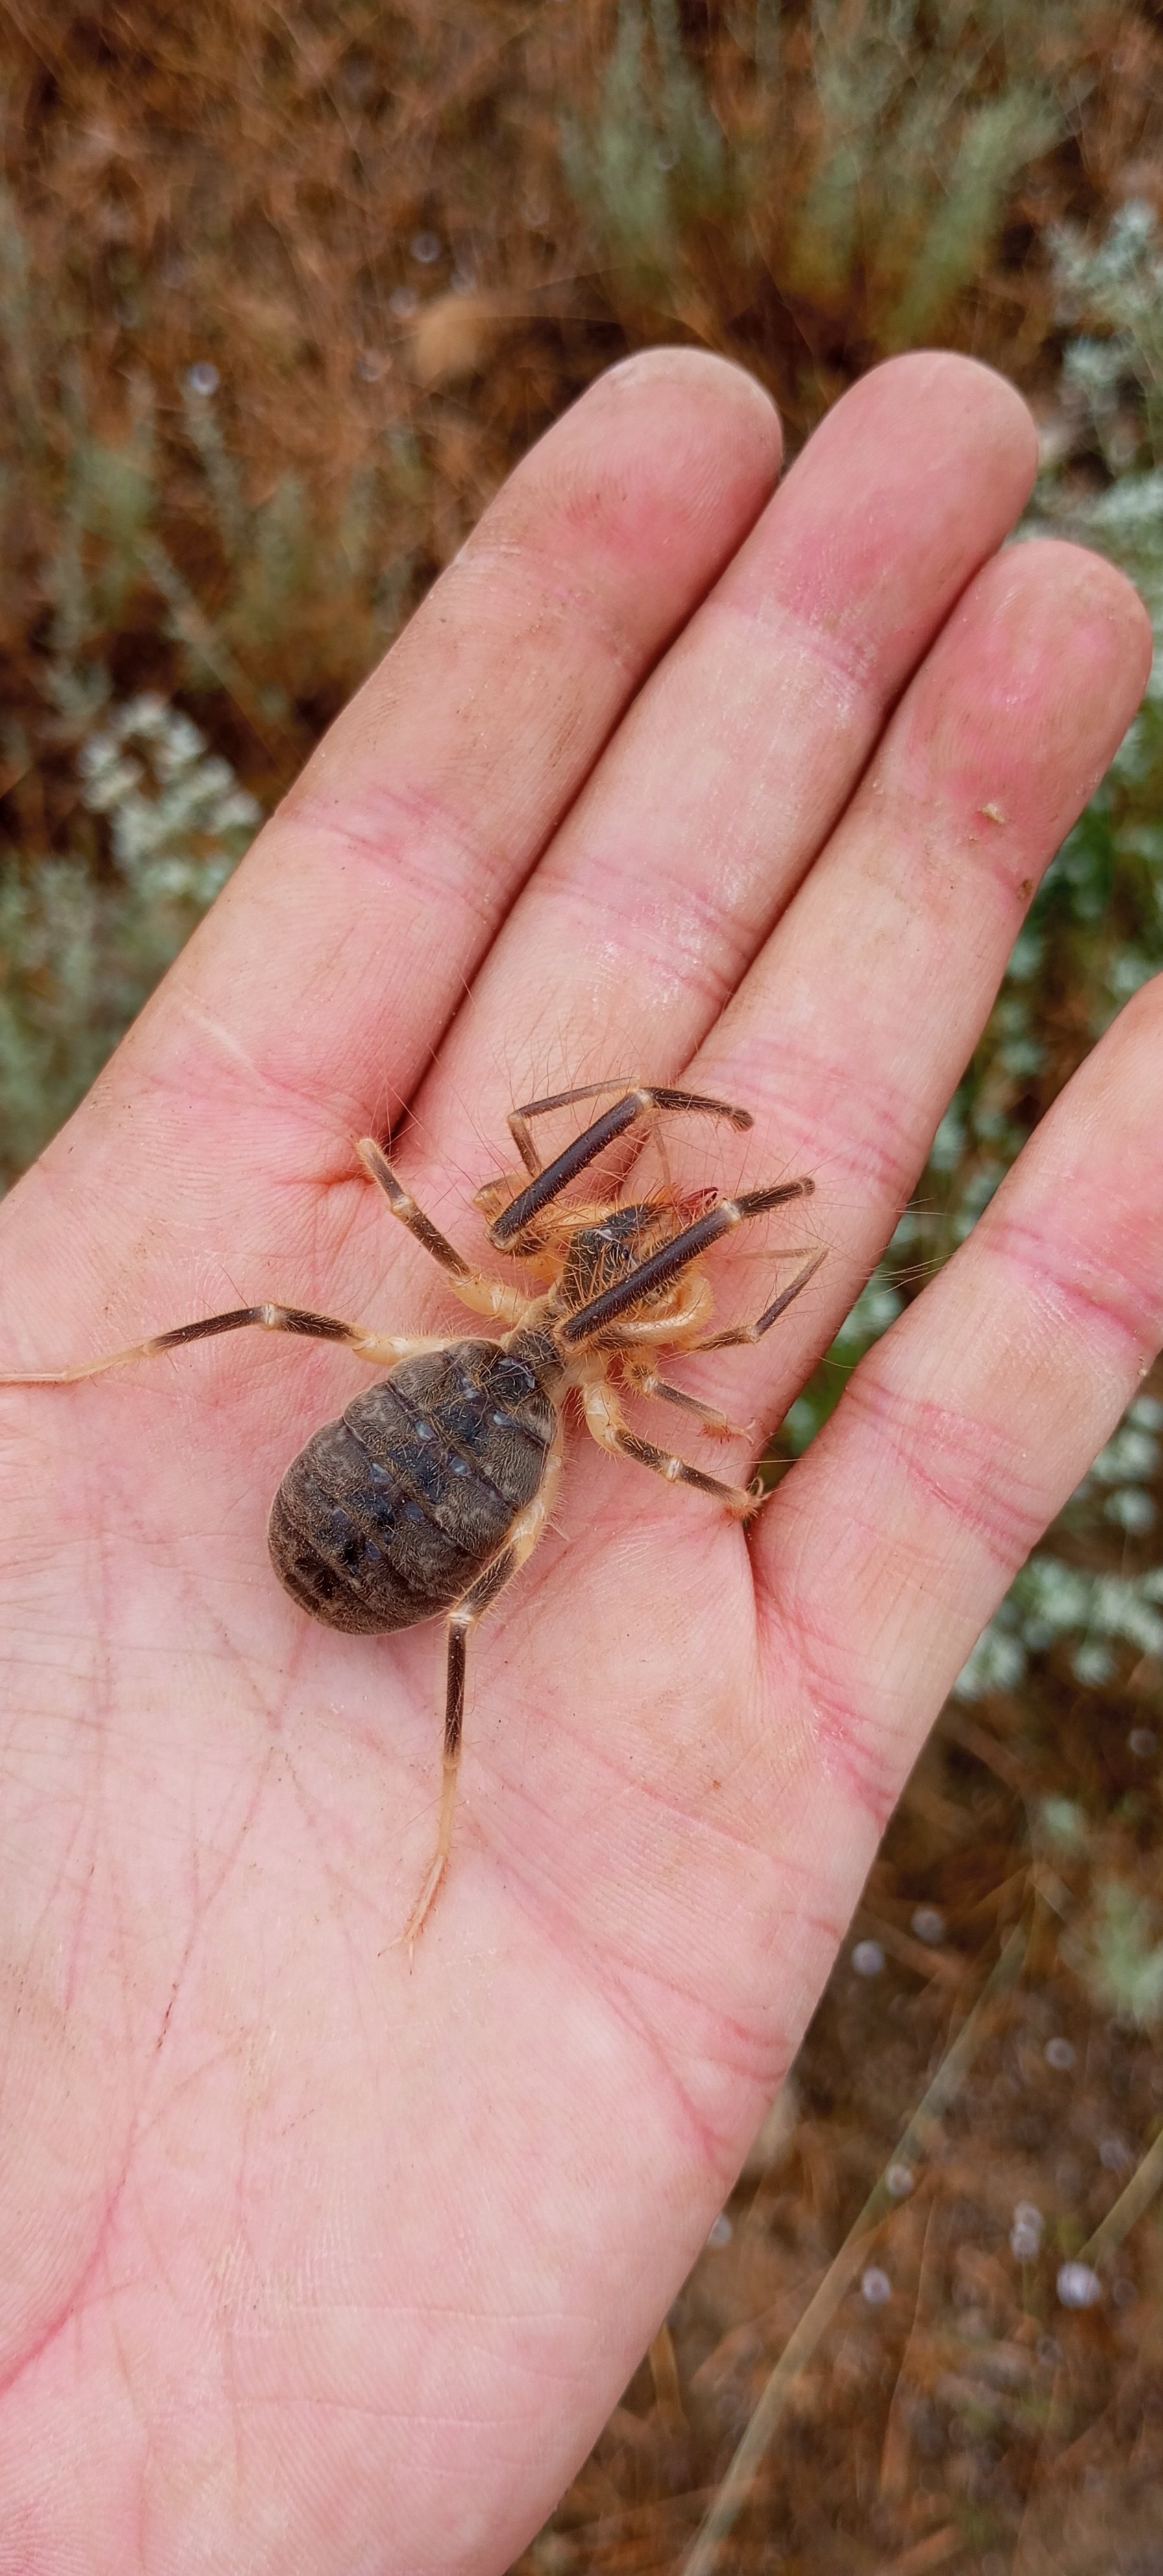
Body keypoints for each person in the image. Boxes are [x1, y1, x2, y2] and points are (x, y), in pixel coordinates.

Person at [0, 348, 1153, 2573]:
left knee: (449, 1509)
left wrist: (677, 1275)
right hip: (446, 1438)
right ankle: (151, 1431)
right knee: (394, 1452)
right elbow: (648, 1362)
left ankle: (269, 1570)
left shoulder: (560, 1347)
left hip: (466, 1420)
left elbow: (623, 1336)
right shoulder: (588, 1368)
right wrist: (685, 1277)